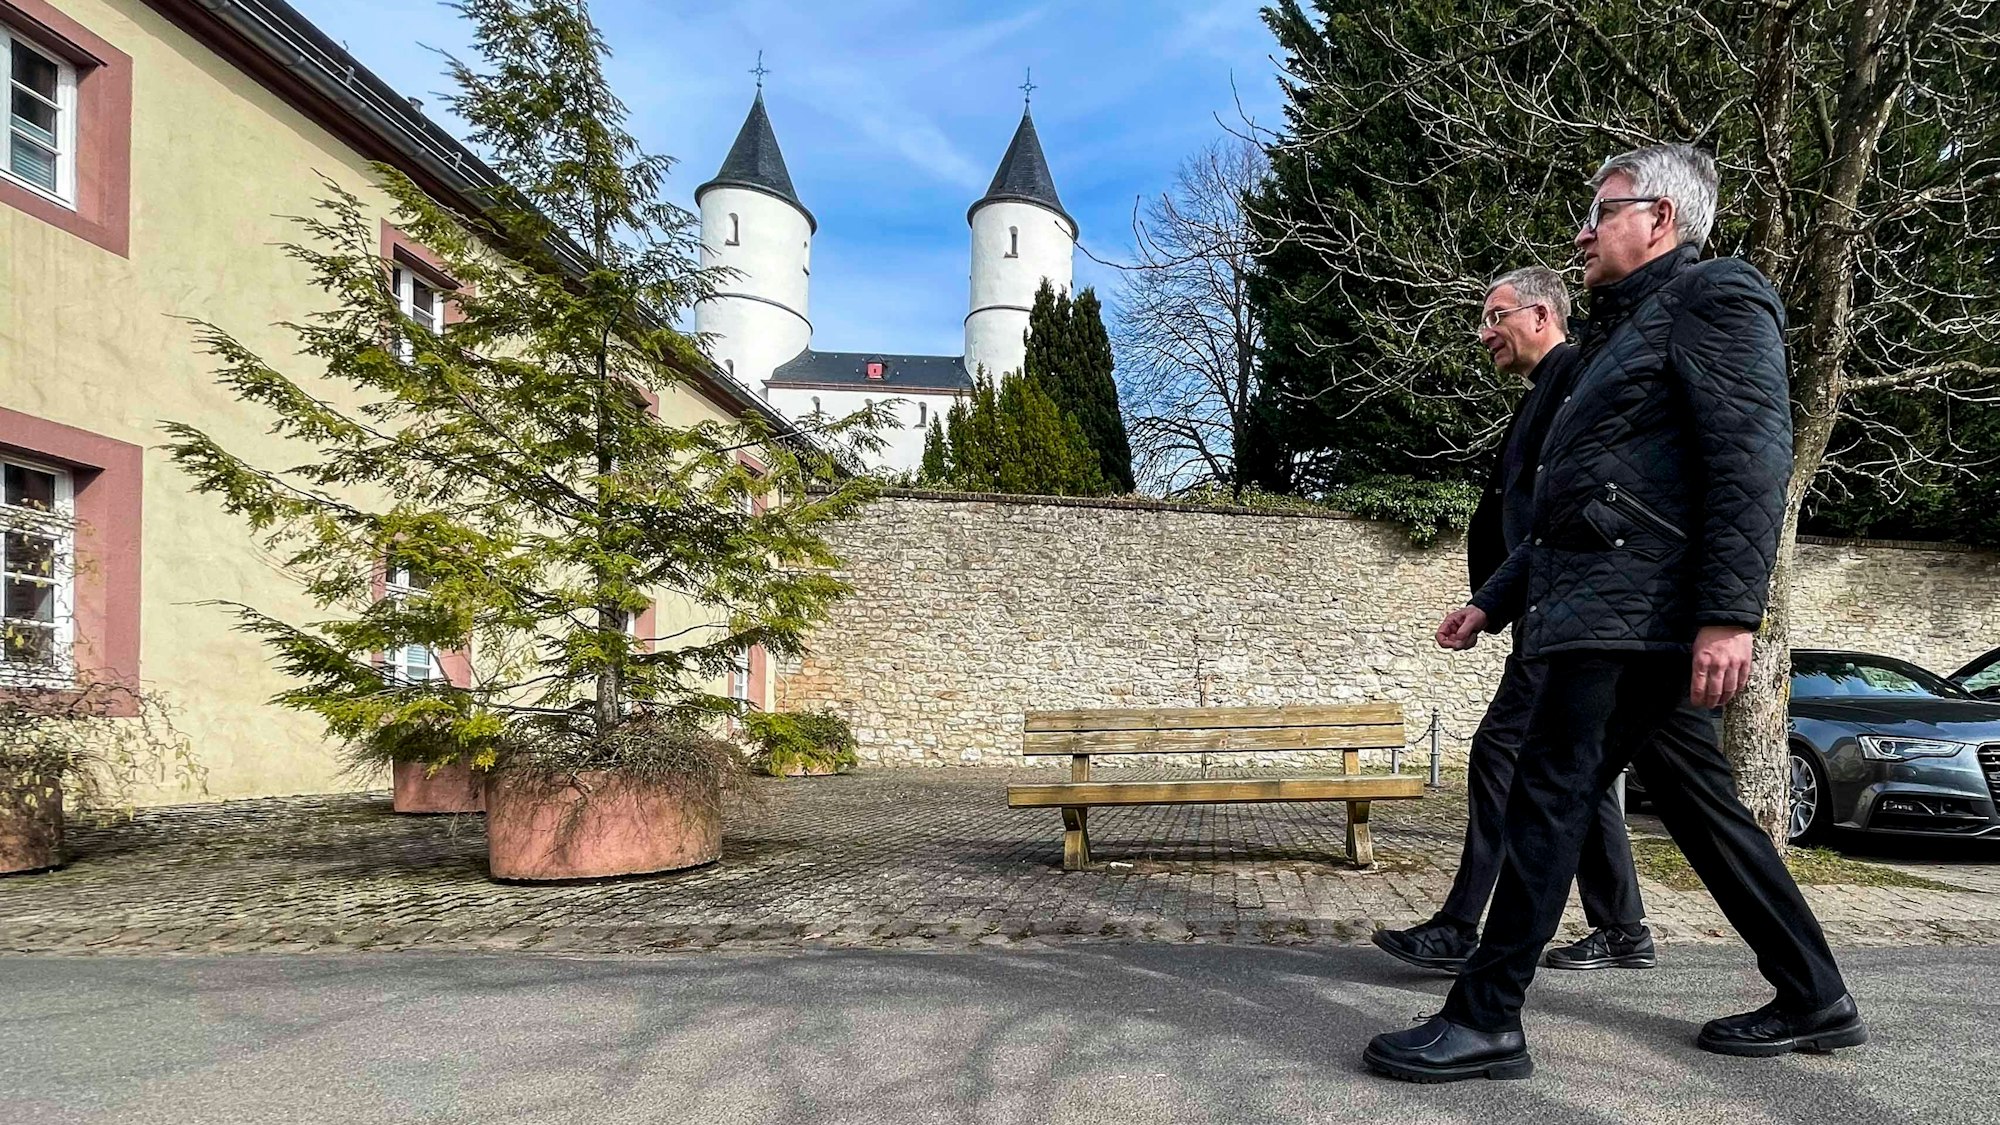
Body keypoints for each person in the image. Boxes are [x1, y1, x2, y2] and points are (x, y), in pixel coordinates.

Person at [1364, 144, 1863, 1084]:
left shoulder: (1716, 296)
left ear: (1661, 219)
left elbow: (1752, 461)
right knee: (1701, 804)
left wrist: (1730, 613)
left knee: (1550, 792)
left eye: (1603, 211)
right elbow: (1576, 502)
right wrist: (1493, 598)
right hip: (1614, 606)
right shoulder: (1618, 334)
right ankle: (1814, 992)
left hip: (1640, 615)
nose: (1584, 231)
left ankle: (1486, 1017)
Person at [1371, 267, 1653, 976]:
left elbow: (1561, 514)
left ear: (1539, 315)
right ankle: (1622, 926)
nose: (1484, 332)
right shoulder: (1548, 388)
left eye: (1495, 316)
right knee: (1575, 768)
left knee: (1503, 754)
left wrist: (1493, 602)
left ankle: (1464, 925)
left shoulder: (1573, 379)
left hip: (1566, 610)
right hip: (1553, 611)